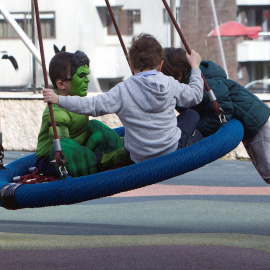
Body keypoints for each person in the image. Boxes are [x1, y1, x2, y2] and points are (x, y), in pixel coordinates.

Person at [42, 33, 204, 164]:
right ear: (160, 65)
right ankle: (195, 143)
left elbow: (92, 105)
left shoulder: (122, 90)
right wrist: (195, 67)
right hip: (170, 150)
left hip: (138, 156)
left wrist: (58, 100)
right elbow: (195, 95)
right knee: (192, 115)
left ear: (131, 66)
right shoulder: (169, 83)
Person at [161, 47, 270, 184]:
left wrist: (199, 130)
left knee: (267, 169)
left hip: (254, 120)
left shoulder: (204, 86)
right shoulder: (191, 85)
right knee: (263, 165)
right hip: (249, 120)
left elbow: (222, 112)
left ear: (178, 76)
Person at [36, 50, 127, 177]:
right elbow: (61, 150)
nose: (87, 81)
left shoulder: (79, 102)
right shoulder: (57, 113)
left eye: (87, 76)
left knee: (97, 127)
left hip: (80, 147)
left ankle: (115, 149)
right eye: (81, 76)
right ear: (61, 84)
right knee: (65, 148)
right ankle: (110, 158)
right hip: (54, 160)